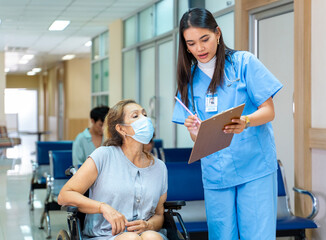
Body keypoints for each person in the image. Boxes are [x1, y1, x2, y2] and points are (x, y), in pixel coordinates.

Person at [172, 8, 283, 240]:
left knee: (257, 236)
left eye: (205, 39)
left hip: (255, 168)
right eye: (191, 43)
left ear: (218, 34)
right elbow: (196, 137)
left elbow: (269, 111)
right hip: (216, 172)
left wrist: (246, 121)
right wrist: (194, 132)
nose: (199, 49)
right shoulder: (188, 79)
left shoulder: (243, 63)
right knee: (222, 236)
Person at [58, 99, 168, 240]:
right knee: (131, 239)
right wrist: (103, 207)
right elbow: (64, 196)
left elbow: (159, 215)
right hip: (104, 235)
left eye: (144, 115)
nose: (144, 120)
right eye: (136, 116)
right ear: (121, 129)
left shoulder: (159, 167)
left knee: (152, 237)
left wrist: (148, 225)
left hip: (145, 235)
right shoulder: (103, 156)